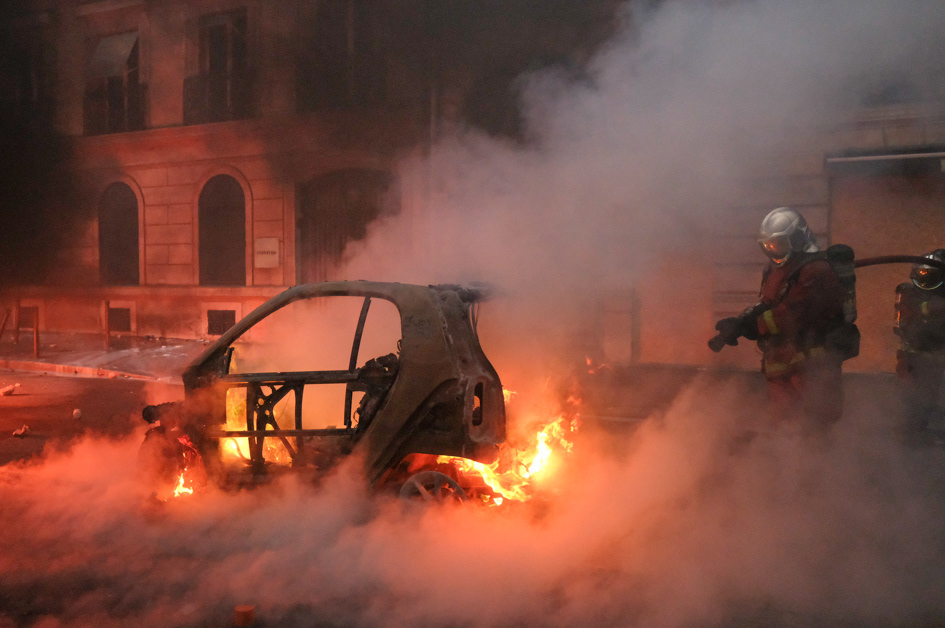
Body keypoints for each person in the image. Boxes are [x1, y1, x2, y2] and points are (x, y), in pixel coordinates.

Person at [712, 207, 855, 430]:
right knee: (786, 431)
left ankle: (818, 465)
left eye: (778, 244)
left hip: (812, 367)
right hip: (781, 366)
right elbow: (768, 305)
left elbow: (792, 314)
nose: (773, 251)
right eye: (767, 246)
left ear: (797, 238)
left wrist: (752, 326)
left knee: (813, 429)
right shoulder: (776, 271)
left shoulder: (817, 270)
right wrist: (740, 324)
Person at [894, 249, 945, 440]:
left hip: (934, 358)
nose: (924, 279)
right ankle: (910, 431)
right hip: (911, 354)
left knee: (928, 397)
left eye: (929, 275)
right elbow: (908, 318)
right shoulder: (909, 294)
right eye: (922, 274)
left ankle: (916, 429)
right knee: (913, 398)